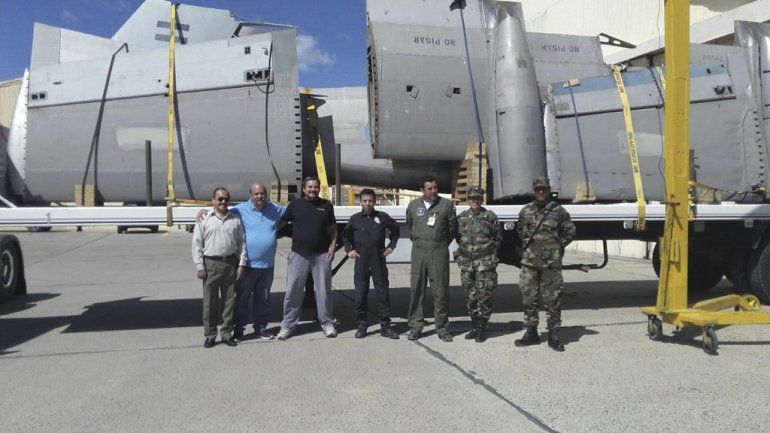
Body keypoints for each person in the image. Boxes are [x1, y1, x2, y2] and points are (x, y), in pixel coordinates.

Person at [514, 177, 576, 352]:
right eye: (538, 189)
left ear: (549, 190)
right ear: (534, 191)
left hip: (551, 264)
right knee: (529, 298)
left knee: (553, 299)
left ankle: (553, 334)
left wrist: (557, 247)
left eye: (544, 189)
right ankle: (531, 332)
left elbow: (570, 232)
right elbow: (520, 232)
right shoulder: (525, 211)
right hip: (529, 263)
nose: (541, 192)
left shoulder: (559, 211)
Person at [277, 176, 338, 340]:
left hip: (321, 255)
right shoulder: (295, 205)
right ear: (304, 189)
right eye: (309, 187)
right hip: (299, 255)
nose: (313, 189)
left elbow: (333, 229)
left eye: (315, 187)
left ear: (319, 188)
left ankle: (327, 323)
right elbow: (281, 224)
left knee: (324, 292)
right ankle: (288, 325)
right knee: (293, 291)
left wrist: (332, 247)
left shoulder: (326, 206)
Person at [192, 187, 248, 348]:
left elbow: (241, 244)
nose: (223, 202)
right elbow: (197, 244)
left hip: (230, 263)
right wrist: (200, 266)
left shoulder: (235, 220)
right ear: (213, 200)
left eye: (226, 199)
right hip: (211, 264)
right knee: (210, 302)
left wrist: (241, 264)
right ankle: (210, 334)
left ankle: (226, 333)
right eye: (220, 199)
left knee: (228, 301)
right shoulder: (204, 219)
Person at [342, 188, 400, 339]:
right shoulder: (354, 219)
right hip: (361, 262)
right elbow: (345, 236)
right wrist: (349, 250)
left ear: (375, 202)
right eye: (364, 201)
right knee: (360, 294)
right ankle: (362, 325)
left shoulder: (382, 217)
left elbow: (396, 230)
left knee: (382, 293)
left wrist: (391, 247)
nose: (367, 204)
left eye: (370, 201)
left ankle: (385, 326)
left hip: (378, 261)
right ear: (360, 202)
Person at [405, 175, 458, 342]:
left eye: (435, 188)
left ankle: (442, 328)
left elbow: (452, 229)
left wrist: (439, 243)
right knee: (416, 290)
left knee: (440, 291)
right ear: (422, 190)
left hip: (439, 251)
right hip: (419, 252)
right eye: (429, 188)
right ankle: (415, 326)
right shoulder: (413, 206)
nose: (433, 191)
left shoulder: (446, 205)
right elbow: (410, 227)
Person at [230, 183, 286, 340]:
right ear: (250, 195)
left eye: (262, 193)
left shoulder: (275, 209)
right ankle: (239, 329)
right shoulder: (240, 209)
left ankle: (260, 328)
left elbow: (294, 211)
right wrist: (202, 212)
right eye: (256, 194)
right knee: (242, 298)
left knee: (264, 298)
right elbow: (220, 212)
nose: (260, 196)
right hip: (247, 265)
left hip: (267, 266)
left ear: (266, 194)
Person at [454, 186, 501, 343]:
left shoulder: (490, 217)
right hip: (467, 263)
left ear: (482, 199)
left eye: (478, 198)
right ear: (468, 200)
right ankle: (474, 326)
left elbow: (498, 238)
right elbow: (457, 238)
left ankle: (482, 328)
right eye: (472, 198)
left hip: (484, 263)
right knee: (470, 296)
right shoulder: (461, 218)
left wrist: (488, 255)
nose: (475, 201)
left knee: (484, 296)